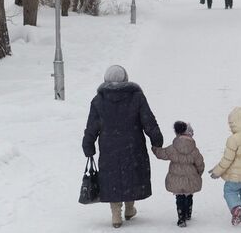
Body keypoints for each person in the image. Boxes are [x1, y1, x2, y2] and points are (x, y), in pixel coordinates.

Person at [82, 65, 164, 229]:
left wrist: (88, 144)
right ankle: (129, 208)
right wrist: (156, 140)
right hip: (133, 145)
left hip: (109, 147)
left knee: (112, 178)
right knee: (131, 174)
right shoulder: (136, 97)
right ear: (126, 78)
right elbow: (149, 121)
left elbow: (92, 127)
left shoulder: (99, 100)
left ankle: (115, 215)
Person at [209, 107, 241, 226]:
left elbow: (227, 159)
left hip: (234, 175)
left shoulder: (233, 139)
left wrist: (217, 171)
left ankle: (236, 208)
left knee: (229, 191)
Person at [152, 121, 205, 228]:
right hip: (191, 178)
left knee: (180, 197)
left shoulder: (173, 148)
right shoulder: (194, 150)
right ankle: (188, 213)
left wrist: (155, 148)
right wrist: (199, 173)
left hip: (176, 179)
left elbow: (162, 154)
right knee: (189, 195)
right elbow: (200, 163)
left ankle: (181, 217)